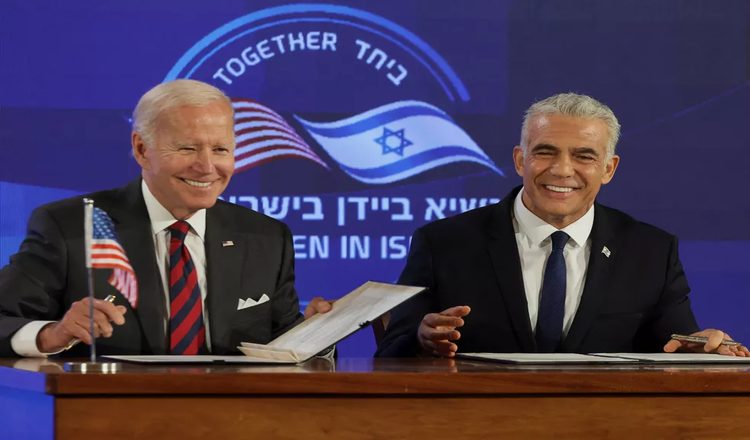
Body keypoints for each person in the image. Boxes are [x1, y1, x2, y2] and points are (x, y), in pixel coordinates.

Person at [375, 93, 749, 358]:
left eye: (584, 155)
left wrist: (700, 348)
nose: (562, 169)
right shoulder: (444, 242)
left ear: (608, 169)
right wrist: (422, 341)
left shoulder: (650, 250)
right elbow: (391, 353)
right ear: (520, 160)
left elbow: (671, 346)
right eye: (545, 152)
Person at [0, 79, 333, 357]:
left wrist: (315, 334)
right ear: (142, 149)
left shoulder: (266, 236)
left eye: (220, 150)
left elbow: (279, 344)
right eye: (187, 149)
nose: (206, 167)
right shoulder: (70, 226)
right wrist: (51, 334)